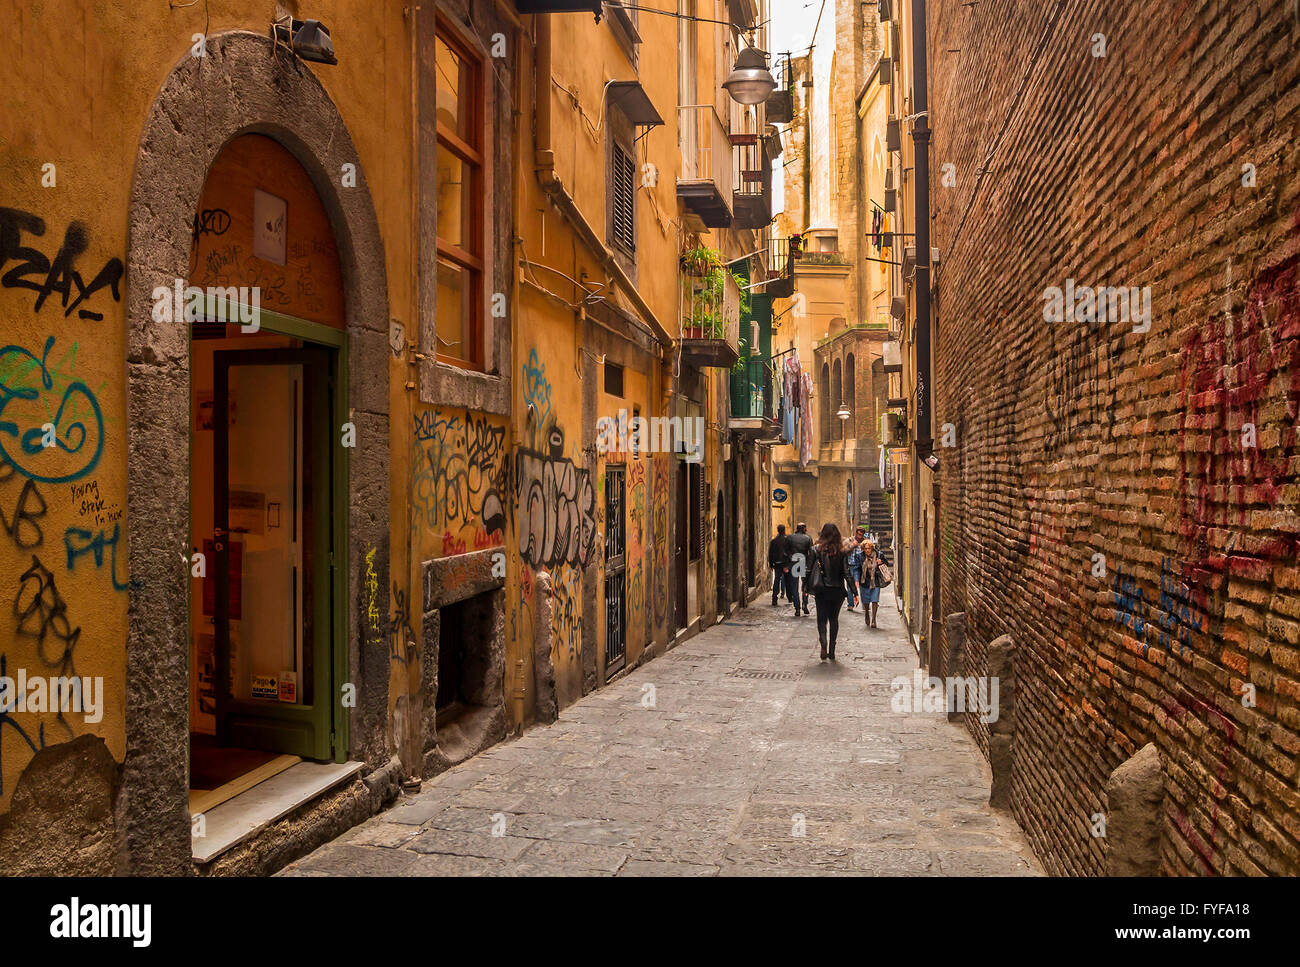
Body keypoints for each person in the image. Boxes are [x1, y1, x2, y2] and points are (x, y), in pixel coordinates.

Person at [810, 523, 849, 660]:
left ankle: (823, 643)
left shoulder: (816, 550)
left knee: (821, 619)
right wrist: (854, 592)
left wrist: (805, 587)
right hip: (837, 590)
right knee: (834, 619)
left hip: (821, 590)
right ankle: (832, 649)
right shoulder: (842, 551)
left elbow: (809, 570)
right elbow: (847, 572)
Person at [786, 522, 814, 616]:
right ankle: (804, 604)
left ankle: (797, 608)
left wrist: (788, 562)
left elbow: (786, 552)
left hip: (794, 563)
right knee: (805, 586)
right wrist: (810, 566)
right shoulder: (808, 538)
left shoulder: (790, 537)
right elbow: (811, 553)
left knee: (794, 587)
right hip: (804, 563)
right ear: (804, 529)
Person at [858, 539, 885, 628]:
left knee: (874, 600)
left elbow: (886, 563)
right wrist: (856, 580)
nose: (867, 550)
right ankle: (866, 612)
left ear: (872, 548)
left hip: (875, 581)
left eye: (869, 548)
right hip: (864, 581)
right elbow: (857, 568)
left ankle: (873, 619)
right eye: (865, 549)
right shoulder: (860, 556)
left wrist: (881, 562)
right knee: (865, 601)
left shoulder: (879, 555)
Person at [768, 525, 792, 606]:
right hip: (785, 563)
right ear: (784, 530)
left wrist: (771, 564)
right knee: (788, 580)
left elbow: (770, 553)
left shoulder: (774, 541)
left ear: (778, 530)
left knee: (777, 580)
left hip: (777, 564)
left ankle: (774, 598)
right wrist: (790, 563)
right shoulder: (788, 540)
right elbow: (790, 552)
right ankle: (790, 597)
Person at [844, 527, 866, 611]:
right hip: (851, 565)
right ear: (855, 533)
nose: (860, 537)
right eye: (859, 534)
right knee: (850, 585)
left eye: (862, 535)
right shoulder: (849, 540)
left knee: (863, 585)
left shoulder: (865, 542)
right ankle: (850, 604)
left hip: (861, 566)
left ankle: (865, 603)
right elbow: (844, 551)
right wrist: (852, 545)